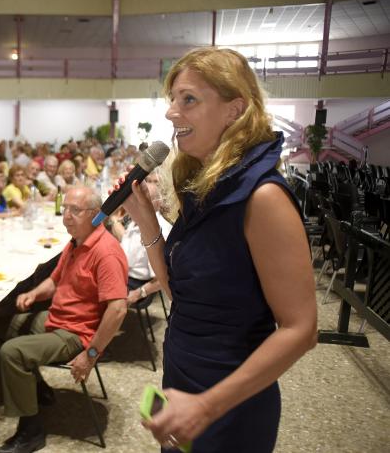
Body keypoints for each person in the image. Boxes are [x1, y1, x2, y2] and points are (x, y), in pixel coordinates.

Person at [118, 48, 316, 452]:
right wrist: (147, 224)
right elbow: (183, 295)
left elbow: (302, 330)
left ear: (234, 110)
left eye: (188, 99)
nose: (172, 113)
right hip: (185, 385)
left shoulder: (262, 198)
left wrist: (207, 406)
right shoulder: (205, 186)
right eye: (172, 100)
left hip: (229, 401)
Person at [0, 186, 128, 453]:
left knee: (11, 352)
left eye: (74, 210)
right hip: (59, 319)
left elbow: (118, 310)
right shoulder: (76, 242)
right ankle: (37, 388)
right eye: (64, 208)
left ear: (95, 215)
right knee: (2, 324)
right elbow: (55, 281)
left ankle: (30, 431)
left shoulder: (106, 252)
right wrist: (33, 293)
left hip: (78, 333)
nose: (66, 216)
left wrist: (90, 354)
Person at [108, 173, 173, 305]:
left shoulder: (162, 230)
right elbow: (128, 241)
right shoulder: (136, 219)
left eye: (144, 199)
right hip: (122, 274)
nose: (137, 203)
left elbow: (164, 278)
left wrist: (139, 293)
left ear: (158, 203)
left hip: (136, 284)